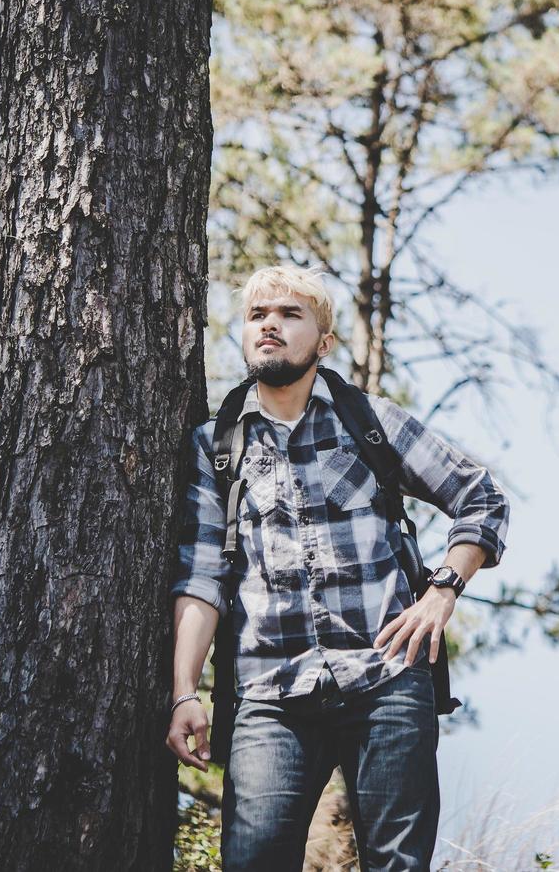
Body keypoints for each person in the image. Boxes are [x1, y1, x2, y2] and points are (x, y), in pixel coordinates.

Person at [164, 263, 510, 870]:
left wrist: (443, 591)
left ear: (323, 343)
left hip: (388, 679)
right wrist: (184, 693)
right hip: (269, 696)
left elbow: (480, 496)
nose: (269, 325)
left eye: (289, 314)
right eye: (257, 315)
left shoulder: (370, 421)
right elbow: (201, 579)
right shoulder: (216, 447)